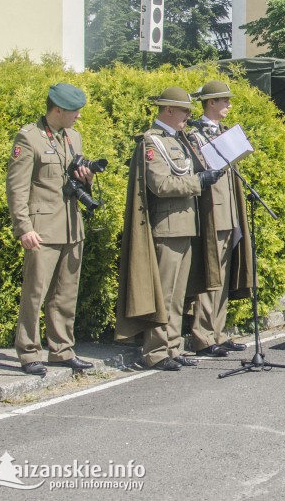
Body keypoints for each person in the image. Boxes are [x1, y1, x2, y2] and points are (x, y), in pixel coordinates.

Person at [115, 87, 224, 371]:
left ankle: (173, 346)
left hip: (186, 225)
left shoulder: (180, 140)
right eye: (184, 111)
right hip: (167, 227)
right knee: (163, 294)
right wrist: (198, 182)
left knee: (178, 295)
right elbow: (160, 184)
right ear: (168, 110)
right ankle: (156, 351)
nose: (189, 116)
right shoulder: (152, 142)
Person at [6, 83, 96, 376]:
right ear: (58, 110)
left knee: (65, 294)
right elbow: (16, 188)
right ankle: (29, 352)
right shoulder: (29, 137)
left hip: (71, 227)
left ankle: (61, 350)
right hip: (42, 229)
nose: (78, 116)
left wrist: (86, 178)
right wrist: (24, 228)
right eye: (74, 111)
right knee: (35, 293)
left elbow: (72, 181)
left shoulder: (74, 137)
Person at [187, 81, 254, 358]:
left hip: (228, 211)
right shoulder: (194, 135)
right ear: (210, 103)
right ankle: (203, 336)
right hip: (211, 212)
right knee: (210, 275)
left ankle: (218, 331)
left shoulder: (223, 132)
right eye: (223, 101)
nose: (228, 105)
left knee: (224, 276)